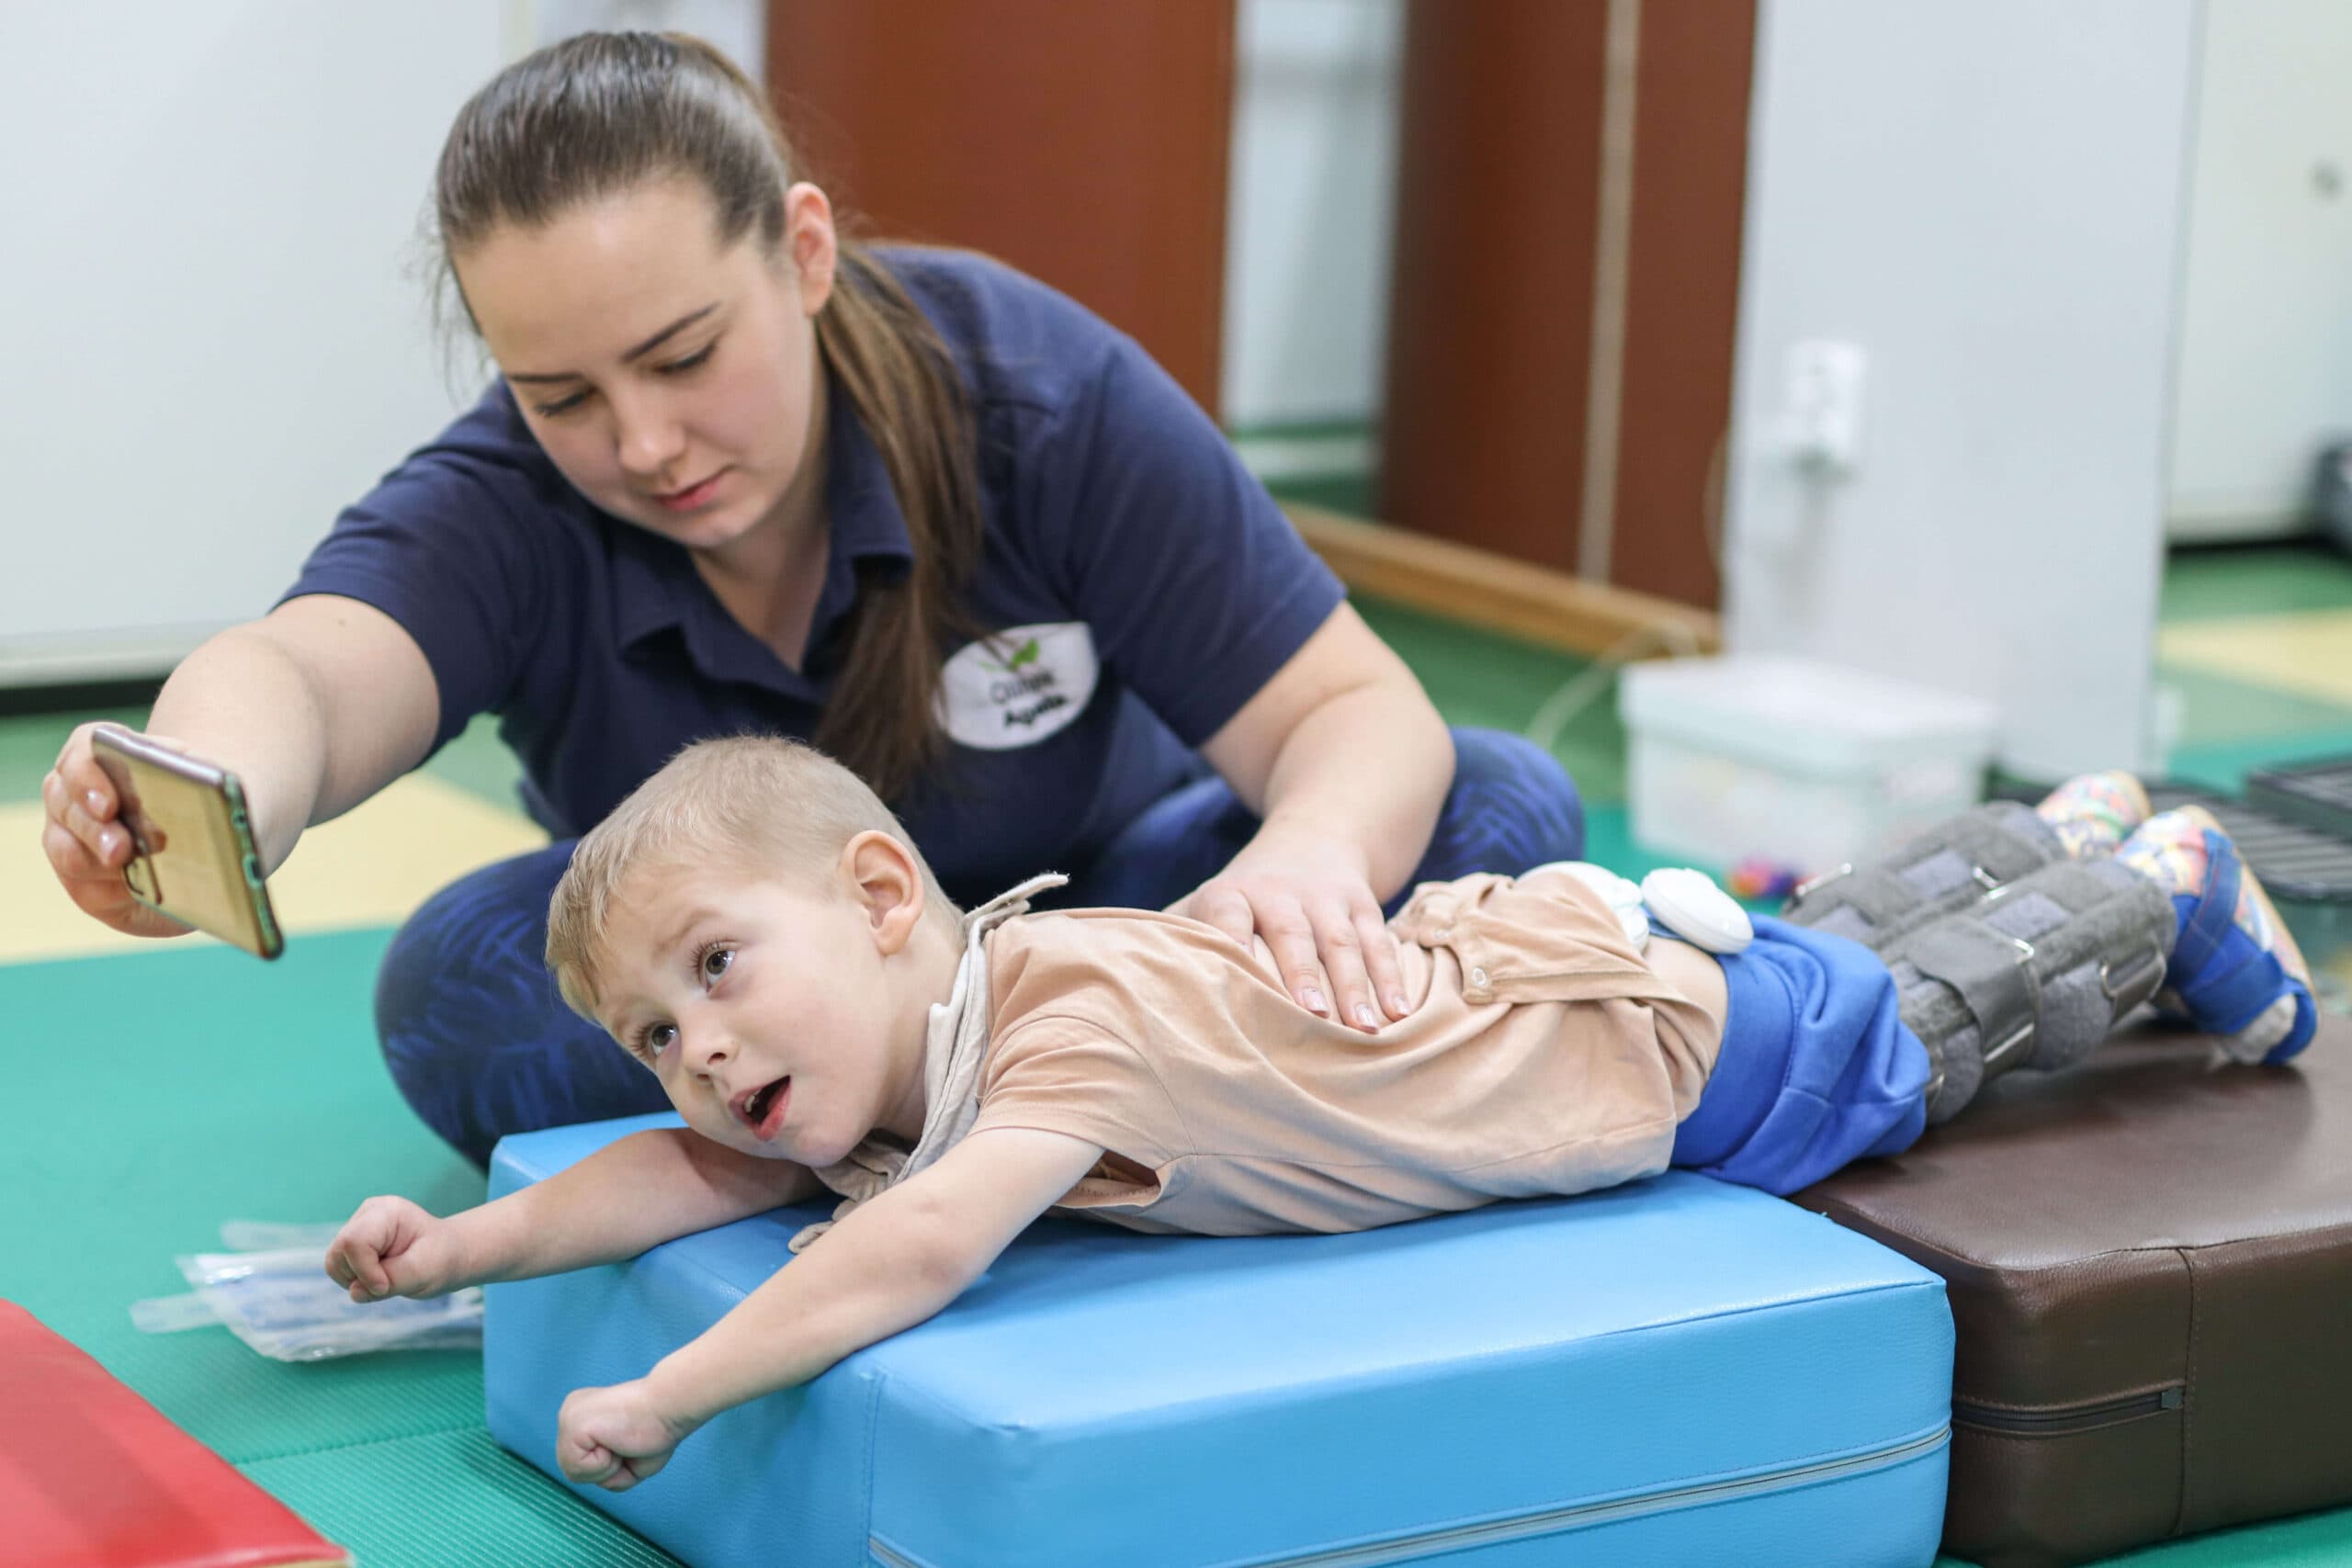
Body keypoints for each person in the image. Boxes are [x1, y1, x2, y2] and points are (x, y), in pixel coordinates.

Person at [36, 32, 1585, 1165]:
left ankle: (949, 1126)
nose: (642, 444)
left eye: (687, 353)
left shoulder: (1030, 395)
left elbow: (1346, 708)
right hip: (759, 1011)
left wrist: (1309, 855)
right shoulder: (507, 503)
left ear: (805, 249)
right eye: (562, 393)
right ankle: (1084, 1118)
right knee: (456, 992)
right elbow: (301, 671)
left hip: (1110, 919)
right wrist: (205, 798)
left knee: (1497, 806)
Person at [323, 738, 2316, 1493]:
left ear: (870, 896)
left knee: (1919, 1016)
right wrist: (461, 1251)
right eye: (650, 1031)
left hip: (1659, 1064)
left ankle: (2149, 889)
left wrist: (674, 1394)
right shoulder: (853, 1063)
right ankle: (2044, 827)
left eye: (714, 974)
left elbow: (911, 1249)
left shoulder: (1057, 1031)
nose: (692, 1056)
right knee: (1857, 936)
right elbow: (675, 1171)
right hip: (1530, 952)